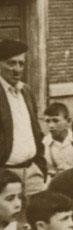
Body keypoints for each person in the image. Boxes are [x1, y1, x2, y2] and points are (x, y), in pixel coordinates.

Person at [0, 38, 47, 205]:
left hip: (33, 173)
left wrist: (40, 167)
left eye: (21, 64)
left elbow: (37, 132)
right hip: (6, 176)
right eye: (11, 63)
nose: (17, 69)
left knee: (38, 218)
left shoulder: (26, 91)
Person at [42, 103, 73, 179]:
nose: (51, 125)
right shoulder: (43, 144)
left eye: (55, 120)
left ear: (68, 121)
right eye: (47, 121)